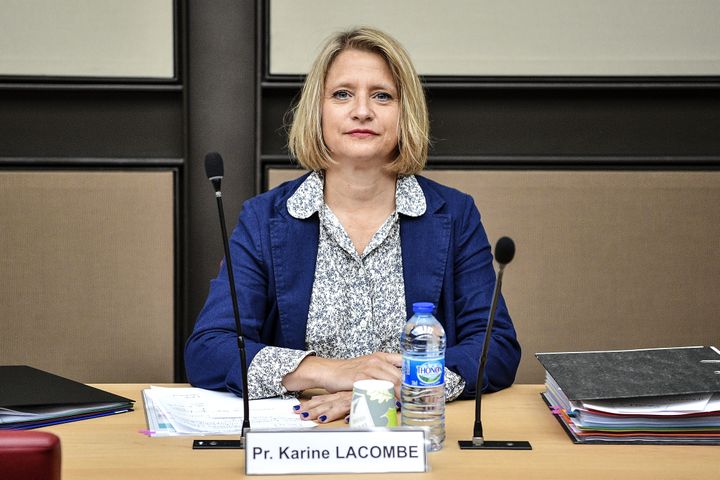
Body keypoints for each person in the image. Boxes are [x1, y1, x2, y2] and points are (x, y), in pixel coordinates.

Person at [185, 27, 520, 423]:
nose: (362, 110)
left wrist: (380, 393)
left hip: (415, 432)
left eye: (382, 95)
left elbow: (494, 346)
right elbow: (209, 348)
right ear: (318, 110)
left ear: (404, 112)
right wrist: (330, 372)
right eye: (342, 94)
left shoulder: (454, 214)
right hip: (303, 435)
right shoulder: (265, 218)